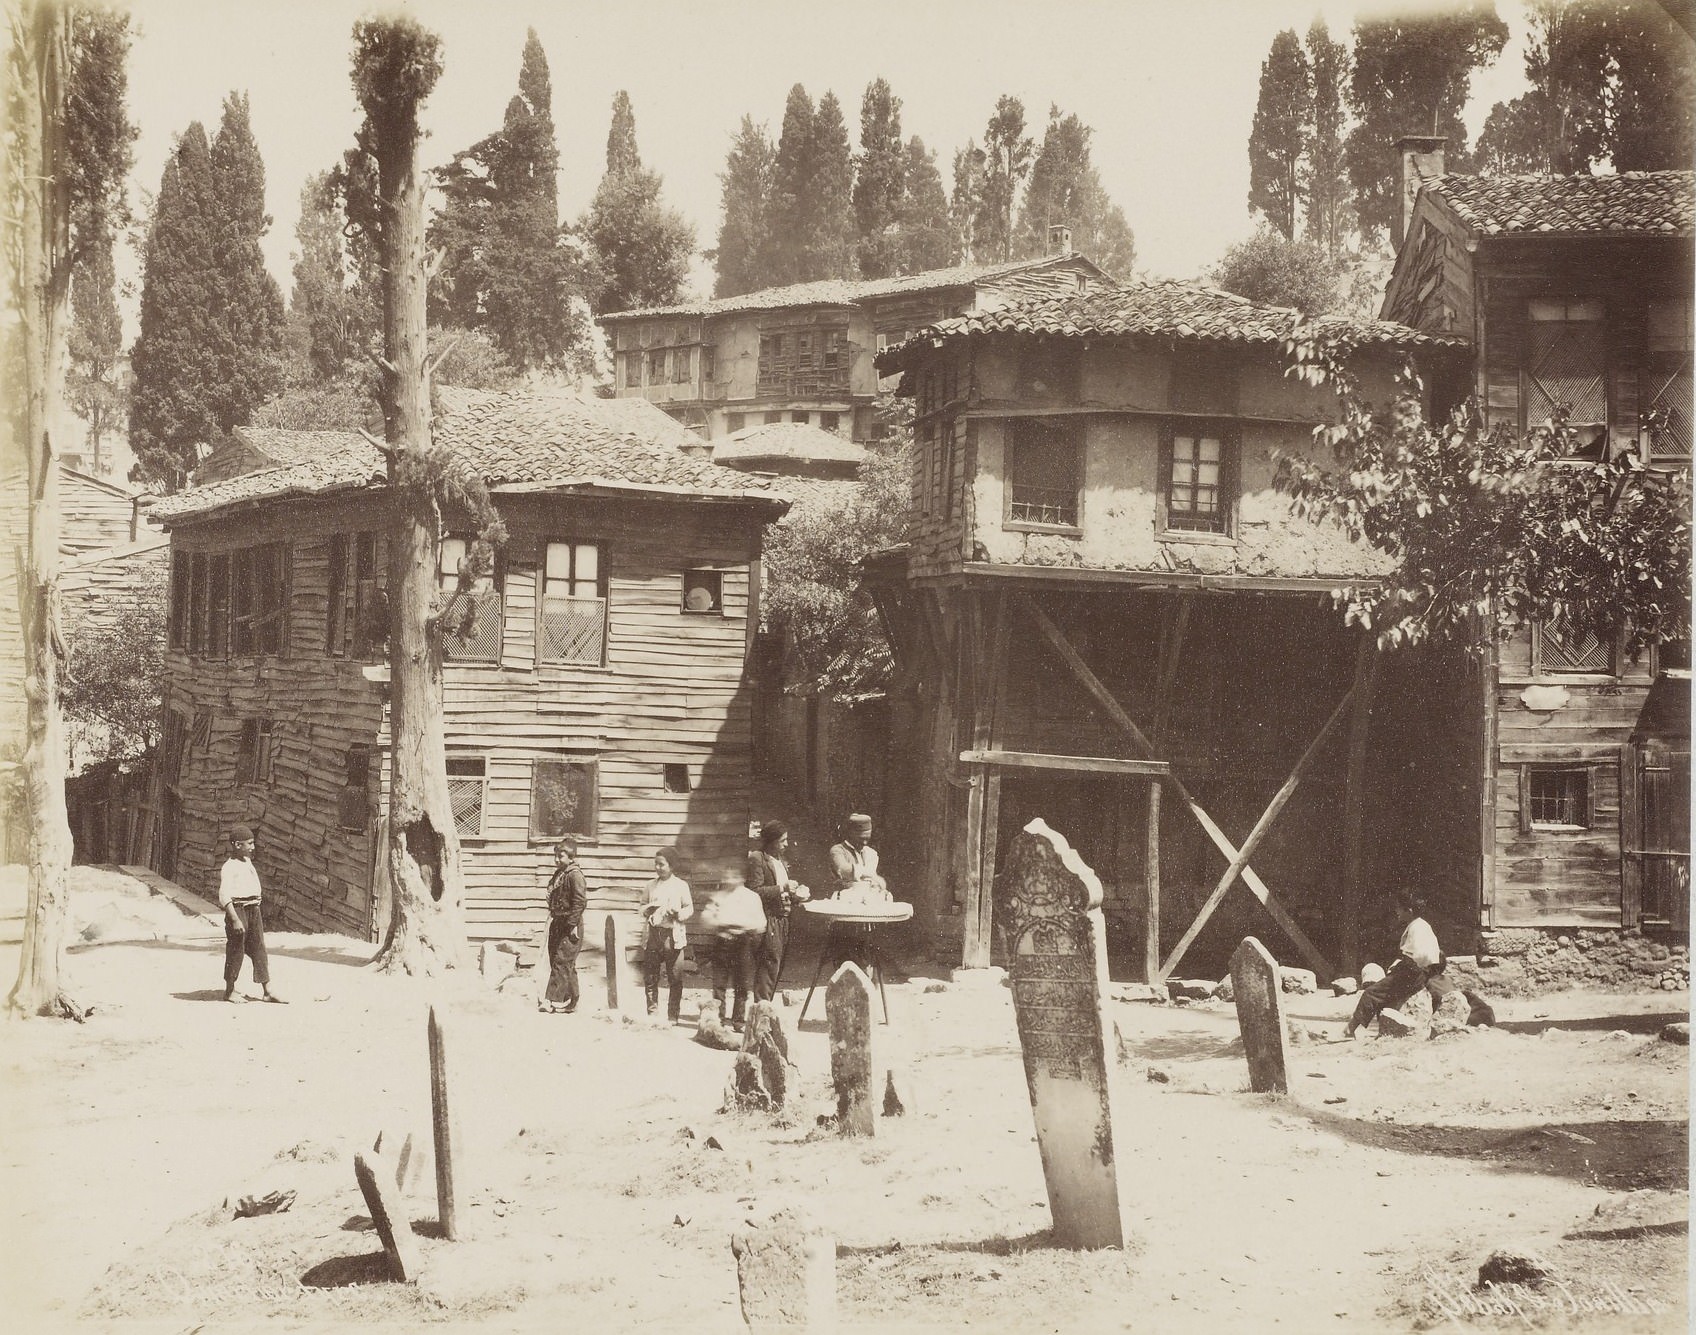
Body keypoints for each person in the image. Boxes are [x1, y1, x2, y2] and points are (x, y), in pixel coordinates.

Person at [1344, 913, 1459, 1038]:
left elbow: (1420, 956)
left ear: (1408, 910)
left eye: (1400, 909)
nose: (1397, 913)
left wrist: (1404, 966)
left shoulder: (1417, 927)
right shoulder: (1421, 925)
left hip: (1413, 974)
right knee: (1384, 995)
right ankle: (1383, 1030)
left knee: (1371, 993)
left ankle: (1349, 1030)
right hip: (1416, 972)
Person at [220, 824, 283, 1004]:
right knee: (236, 949)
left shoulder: (247, 862)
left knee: (259, 949)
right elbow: (224, 895)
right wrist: (235, 919)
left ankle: (267, 990)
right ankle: (230, 990)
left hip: (253, 909)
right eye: (249, 843)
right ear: (237, 845)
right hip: (239, 911)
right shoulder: (229, 867)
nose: (253, 847)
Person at [747, 820, 810, 1003]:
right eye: (783, 841)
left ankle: (766, 1007)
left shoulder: (780, 861)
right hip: (769, 918)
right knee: (769, 965)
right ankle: (762, 1009)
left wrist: (796, 895)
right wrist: (782, 887)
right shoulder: (758, 858)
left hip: (784, 919)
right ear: (771, 840)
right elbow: (754, 890)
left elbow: (783, 891)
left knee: (776, 965)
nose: (786, 844)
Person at [640, 846, 693, 1021]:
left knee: (675, 977)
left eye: (661, 864)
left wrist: (678, 914)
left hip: (672, 936)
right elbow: (642, 907)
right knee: (650, 976)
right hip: (654, 935)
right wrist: (648, 909)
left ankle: (673, 1016)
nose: (657, 868)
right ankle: (652, 1012)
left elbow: (689, 908)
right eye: (656, 864)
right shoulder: (650, 885)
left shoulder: (680, 885)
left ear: (672, 866)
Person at [710, 865, 765, 1027]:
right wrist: (721, 923)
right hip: (722, 941)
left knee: (741, 984)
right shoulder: (718, 897)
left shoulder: (752, 897)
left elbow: (761, 923)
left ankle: (738, 1020)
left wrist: (744, 926)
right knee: (719, 984)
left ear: (742, 878)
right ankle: (718, 1019)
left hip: (743, 942)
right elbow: (708, 918)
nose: (728, 879)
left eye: (733, 876)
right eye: (726, 876)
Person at [541, 837, 588, 1014]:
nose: (556, 860)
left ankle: (550, 1001)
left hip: (570, 925)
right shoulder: (559, 874)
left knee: (561, 962)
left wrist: (571, 925)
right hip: (557, 922)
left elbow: (580, 902)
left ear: (571, 857)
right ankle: (574, 1000)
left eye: (560, 856)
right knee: (561, 961)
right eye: (555, 856)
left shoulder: (575, 875)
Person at [828, 813, 889, 902]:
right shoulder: (837, 850)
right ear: (850, 834)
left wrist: (877, 885)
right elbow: (843, 869)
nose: (864, 842)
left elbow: (873, 881)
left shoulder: (871, 853)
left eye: (867, 839)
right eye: (861, 839)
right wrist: (871, 875)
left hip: (867, 900)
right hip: (843, 901)